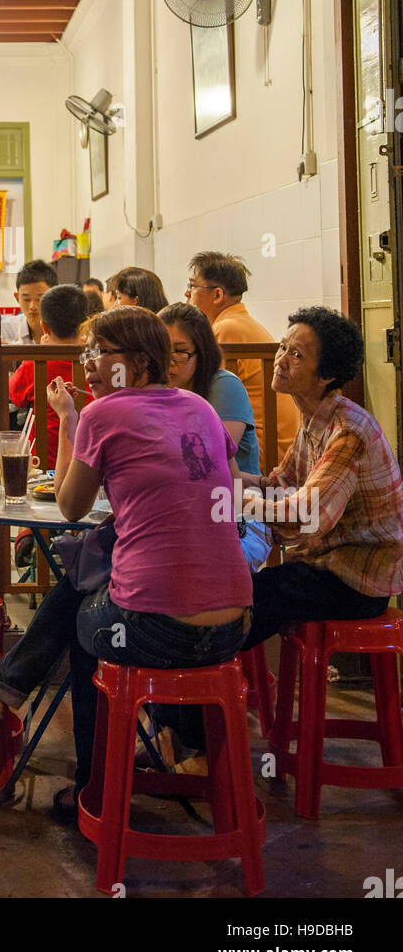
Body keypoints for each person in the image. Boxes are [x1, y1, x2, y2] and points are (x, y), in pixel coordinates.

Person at [0, 306, 251, 813]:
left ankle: (95, 790)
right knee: (96, 586)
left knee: (89, 626)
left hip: (159, 629)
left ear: (137, 360)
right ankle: (8, 695)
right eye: (86, 352)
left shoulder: (103, 415)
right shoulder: (198, 407)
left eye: (100, 353)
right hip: (236, 625)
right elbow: (219, 482)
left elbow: (69, 507)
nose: (87, 363)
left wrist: (73, 421)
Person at [238, 307, 403, 652]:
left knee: (242, 594)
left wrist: (243, 504)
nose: (280, 359)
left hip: (357, 581)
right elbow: (281, 482)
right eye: (283, 347)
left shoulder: (348, 433)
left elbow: (306, 516)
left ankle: (204, 689)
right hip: (324, 566)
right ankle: (211, 690)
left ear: (325, 375)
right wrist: (227, 483)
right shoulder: (314, 418)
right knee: (237, 590)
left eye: (295, 354)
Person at [159, 302, 267, 571]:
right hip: (180, 513)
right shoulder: (157, 390)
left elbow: (208, 464)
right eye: (161, 349)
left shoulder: (223, 385)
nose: (169, 361)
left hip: (236, 511)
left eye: (181, 352)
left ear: (202, 351)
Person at [185, 251, 300, 465]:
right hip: (265, 442)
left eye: (192, 286)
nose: (186, 293)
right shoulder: (238, 322)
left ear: (217, 294)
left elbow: (199, 393)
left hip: (258, 449)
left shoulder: (226, 328)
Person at [8, 284, 87, 470]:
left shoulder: (34, 363)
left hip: (42, 466)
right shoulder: (98, 361)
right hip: (89, 466)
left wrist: (38, 352)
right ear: (86, 324)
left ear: (44, 326)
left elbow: (15, 397)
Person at [0, 259, 58, 346]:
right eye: (26, 299)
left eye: (40, 299)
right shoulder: (6, 329)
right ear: (17, 298)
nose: (32, 306)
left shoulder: (67, 331)